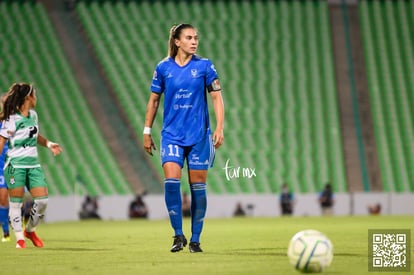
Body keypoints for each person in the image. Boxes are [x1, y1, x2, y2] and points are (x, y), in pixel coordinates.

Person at [143, 23, 225, 253]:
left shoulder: (205, 66)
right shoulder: (163, 68)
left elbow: (217, 98)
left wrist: (220, 127)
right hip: (171, 136)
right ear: (177, 42)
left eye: (196, 37)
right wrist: (147, 131)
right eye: (189, 37)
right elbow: (154, 100)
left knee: (198, 188)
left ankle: (196, 239)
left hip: (199, 137)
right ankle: (178, 235)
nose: (194, 41)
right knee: (171, 183)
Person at [0, 83, 63, 249]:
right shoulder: (11, 119)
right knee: (16, 203)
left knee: (42, 201)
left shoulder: (33, 116)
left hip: (33, 165)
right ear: (28, 97)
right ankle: (20, 238)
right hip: (15, 166)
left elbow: (34, 135)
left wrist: (49, 144)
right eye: (34, 94)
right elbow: (1, 142)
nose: (36, 98)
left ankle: (30, 230)